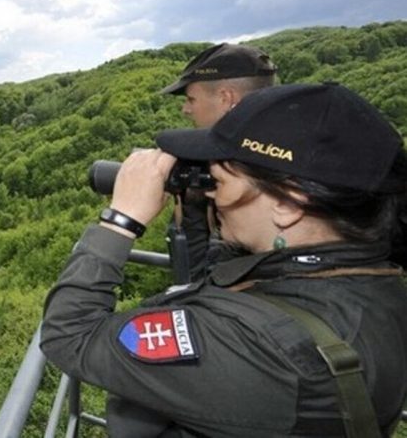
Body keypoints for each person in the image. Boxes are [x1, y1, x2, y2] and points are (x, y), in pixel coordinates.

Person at [41, 83, 407, 437]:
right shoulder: (368, 279)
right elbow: (227, 277)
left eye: (219, 180)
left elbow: (71, 335)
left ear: (287, 204)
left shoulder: (259, 346)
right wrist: (204, 206)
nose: (212, 191)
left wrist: (122, 218)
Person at [160, 43, 278, 283]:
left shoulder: (255, 179)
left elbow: (202, 279)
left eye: (191, 99)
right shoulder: (286, 153)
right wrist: (194, 198)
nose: (186, 109)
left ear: (226, 98)